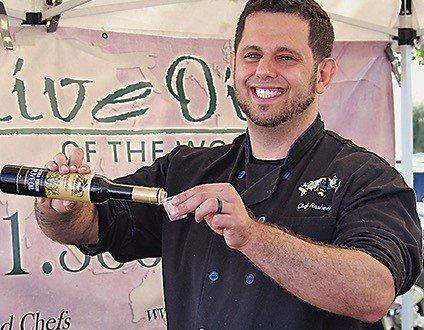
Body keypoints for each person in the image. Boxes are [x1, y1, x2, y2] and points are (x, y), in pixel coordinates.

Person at [34, 0, 422, 328]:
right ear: (233, 63)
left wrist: (251, 235)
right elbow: (92, 225)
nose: (264, 70)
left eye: (286, 57)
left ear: (323, 74)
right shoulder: (185, 171)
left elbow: (373, 293)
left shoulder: (367, 177)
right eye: (252, 55)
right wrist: (62, 209)